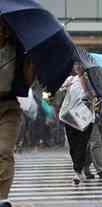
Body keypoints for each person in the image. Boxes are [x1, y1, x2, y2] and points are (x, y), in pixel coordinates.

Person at [0, 17, 34, 203]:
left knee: (4, 150)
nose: (1, 31)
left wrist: (33, 61)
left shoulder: (20, 50)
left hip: (9, 106)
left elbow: (27, 82)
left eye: (4, 28)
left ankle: (2, 198)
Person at [60, 61, 95, 185]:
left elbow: (91, 96)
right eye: (76, 64)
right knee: (73, 146)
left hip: (85, 117)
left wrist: (83, 80)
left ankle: (77, 171)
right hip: (70, 116)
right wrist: (65, 87)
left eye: (80, 65)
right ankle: (81, 167)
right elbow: (60, 92)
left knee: (81, 144)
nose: (78, 67)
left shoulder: (91, 79)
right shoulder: (70, 79)